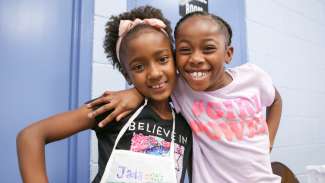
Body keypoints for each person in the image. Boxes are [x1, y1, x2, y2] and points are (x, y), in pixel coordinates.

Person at [87, 11, 283, 182]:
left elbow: (275, 100)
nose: (196, 59)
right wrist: (134, 93)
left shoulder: (254, 77)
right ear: (174, 55)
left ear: (228, 53)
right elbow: (155, 81)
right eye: (185, 50)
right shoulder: (181, 87)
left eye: (208, 48)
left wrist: (270, 139)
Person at [16, 6, 192, 183]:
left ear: (175, 60)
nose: (154, 73)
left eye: (162, 59)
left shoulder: (187, 120)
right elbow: (31, 135)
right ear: (126, 75)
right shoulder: (114, 107)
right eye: (139, 67)